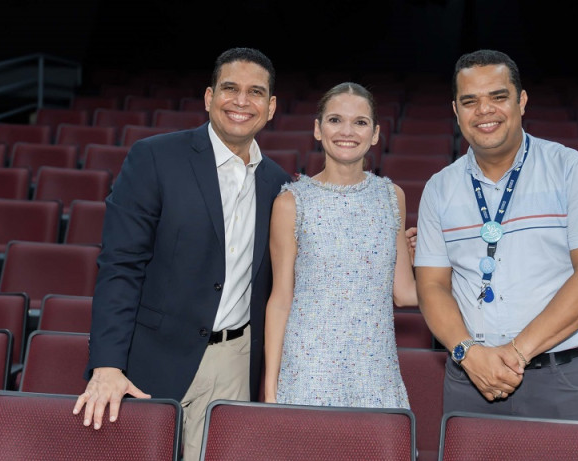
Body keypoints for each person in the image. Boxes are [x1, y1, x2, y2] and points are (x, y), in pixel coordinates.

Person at [72, 47, 292, 460]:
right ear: (209, 97)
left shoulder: (278, 185)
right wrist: (106, 365)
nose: (242, 102)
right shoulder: (154, 158)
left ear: (271, 106)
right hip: (153, 360)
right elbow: (120, 267)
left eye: (255, 92)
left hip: (235, 364)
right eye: (230, 88)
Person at [414, 49, 578, 420]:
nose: (484, 111)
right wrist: (469, 354)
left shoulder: (572, 170)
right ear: (456, 111)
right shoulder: (439, 188)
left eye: (498, 97)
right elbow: (432, 287)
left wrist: (516, 354)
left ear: (521, 101)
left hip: (564, 378)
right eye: (470, 101)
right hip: (470, 378)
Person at [264, 82, 417, 408]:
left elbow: (404, 293)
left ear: (375, 134)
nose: (347, 131)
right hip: (307, 370)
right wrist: (269, 387)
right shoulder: (291, 202)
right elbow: (280, 299)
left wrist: (450, 268)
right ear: (318, 130)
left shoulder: (393, 198)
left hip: (374, 370)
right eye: (335, 120)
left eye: (360, 122)